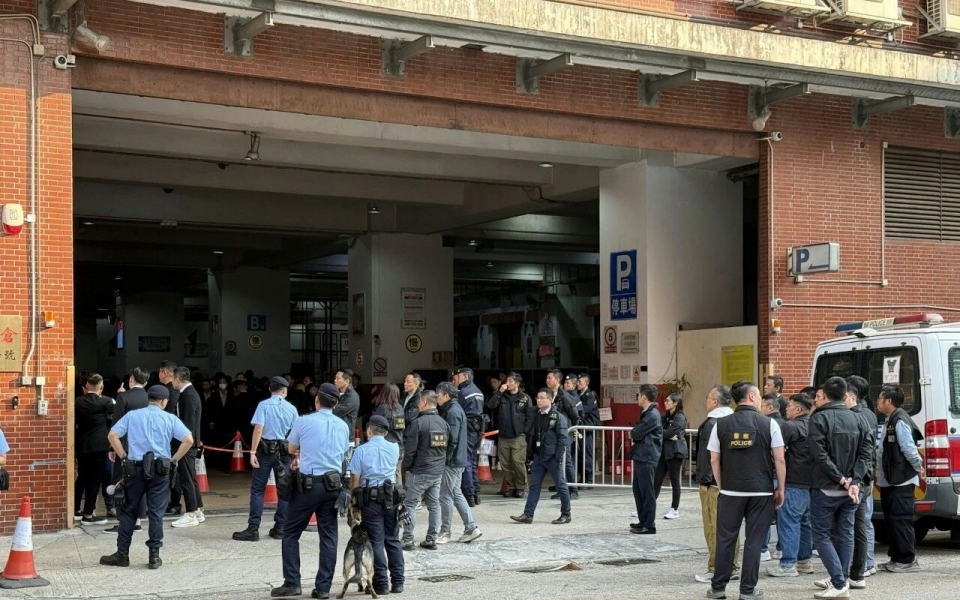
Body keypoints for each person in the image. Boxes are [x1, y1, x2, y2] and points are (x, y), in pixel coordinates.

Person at [100, 385, 194, 570]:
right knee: (156, 513)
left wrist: (123, 457)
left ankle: (122, 554)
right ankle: (154, 557)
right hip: (160, 471)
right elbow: (188, 440)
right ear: (164, 401)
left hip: (135, 469)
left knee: (129, 511)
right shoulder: (170, 418)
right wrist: (173, 460)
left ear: (148, 399)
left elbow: (112, 435)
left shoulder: (132, 416)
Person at [707, 380, 786, 600]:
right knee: (754, 542)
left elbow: (714, 459)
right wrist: (780, 487)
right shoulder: (769, 424)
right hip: (761, 492)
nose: (760, 399)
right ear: (751, 396)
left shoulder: (720, 425)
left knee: (725, 540)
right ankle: (747, 590)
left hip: (730, 492)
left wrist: (722, 485)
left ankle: (718, 588)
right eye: (758, 395)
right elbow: (779, 459)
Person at [271, 383, 351, 598]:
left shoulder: (303, 421)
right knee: (329, 537)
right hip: (333, 486)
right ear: (335, 404)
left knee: (290, 533)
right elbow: (344, 452)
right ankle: (323, 588)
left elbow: (290, 448)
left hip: (308, 486)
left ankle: (292, 583)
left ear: (317, 400)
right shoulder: (343, 425)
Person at [808, 376, 873, 598]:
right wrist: (855, 480)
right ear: (845, 395)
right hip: (852, 490)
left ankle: (838, 582)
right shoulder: (860, 418)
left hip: (827, 487)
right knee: (846, 534)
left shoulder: (818, 419)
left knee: (821, 535)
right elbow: (866, 454)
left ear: (825, 395)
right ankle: (841, 579)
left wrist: (842, 479)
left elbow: (819, 455)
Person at [233, 376, 299, 542]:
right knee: (284, 490)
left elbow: (258, 429)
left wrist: (252, 451)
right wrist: (295, 455)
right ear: (284, 390)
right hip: (283, 452)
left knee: (257, 489)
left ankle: (253, 529)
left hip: (265, 451)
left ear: (270, 389)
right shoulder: (291, 408)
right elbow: (296, 434)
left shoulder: (263, 405)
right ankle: (280, 527)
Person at [348, 415, 404, 595]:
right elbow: (396, 473)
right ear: (385, 432)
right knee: (393, 539)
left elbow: (355, 479)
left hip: (370, 500)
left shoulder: (361, 450)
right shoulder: (395, 448)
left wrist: (354, 503)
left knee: (376, 542)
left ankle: (381, 583)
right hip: (391, 498)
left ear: (369, 431)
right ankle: (398, 582)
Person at [694, 385, 740, 584]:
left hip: (714, 483)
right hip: (734, 482)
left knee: (713, 526)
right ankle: (733, 565)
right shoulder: (736, 420)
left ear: (715, 401)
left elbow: (708, 455)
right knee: (731, 526)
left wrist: (704, 480)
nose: (706, 400)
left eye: (708, 397)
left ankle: (716, 568)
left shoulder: (712, 423)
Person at [876, 383, 923, 574]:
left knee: (901, 519)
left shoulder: (900, 420)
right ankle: (896, 557)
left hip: (901, 480)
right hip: (891, 479)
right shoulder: (891, 419)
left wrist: (919, 468)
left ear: (889, 401)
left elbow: (909, 449)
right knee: (892, 520)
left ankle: (907, 559)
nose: (877, 401)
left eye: (880, 398)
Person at [767, 393, 814, 578]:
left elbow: (777, 451)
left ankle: (787, 564)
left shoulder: (789, 426)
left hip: (793, 480)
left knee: (789, 523)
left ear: (798, 409)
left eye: (789, 406)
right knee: (805, 523)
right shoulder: (814, 424)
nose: (786, 408)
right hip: (810, 482)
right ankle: (804, 561)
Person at [509, 388, 572, 525]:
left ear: (550, 399)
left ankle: (566, 514)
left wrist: (558, 456)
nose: (539, 400)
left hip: (552, 457)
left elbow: (563, 439)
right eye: (538, 398)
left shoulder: (558, 417)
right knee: (534, 486)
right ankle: (528, 514)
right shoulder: (536, 414)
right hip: (539, 456)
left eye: (542, 398)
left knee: (560, 485)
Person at [401, 390, 449, 551]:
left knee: (410, 504)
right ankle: (431, 539)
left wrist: (406, 468)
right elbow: (448, 447)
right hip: (437, 471)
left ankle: (408, 539)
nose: (417, 404)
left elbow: (410, 451)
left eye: (419, 401)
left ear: (424, 402)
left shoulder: (418, 423)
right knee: (434, 505)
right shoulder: (443, 423)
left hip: (420, 471)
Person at [435, 382, 483, 544]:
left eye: (439, 395)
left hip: (452, 461)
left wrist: (445, 459)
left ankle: (445, 531)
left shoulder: (452, 412)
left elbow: (452, 440)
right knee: (455, 493)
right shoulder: (454, 409)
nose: (437, 398)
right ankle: (471, 527)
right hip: (458, 459)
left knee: (445, 496)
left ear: (446, 396)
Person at [105, 367, 151, 534]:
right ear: (146, 382)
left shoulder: (123, 397)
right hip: (146, 447)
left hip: (125, 446)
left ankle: (124, 521)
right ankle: (138, 521)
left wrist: (112, 447)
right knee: (142, 480)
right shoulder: (149, 398)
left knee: (121, 481)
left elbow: (116, 424)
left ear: (131, 380)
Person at [845, 375, 879, 586]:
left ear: (853, 395)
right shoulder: (870, 413)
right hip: (867, 474)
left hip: (861, 476)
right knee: (865, 521)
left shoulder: (859, 415)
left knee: (861, 522)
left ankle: (863, 564)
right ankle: (868, 563)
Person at [485, 373, 535, 498]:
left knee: (518, 462)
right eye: (507, 381)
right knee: (505, 463)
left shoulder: (525, 398)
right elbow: (490, 405)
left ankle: (521, 487)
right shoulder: (502, 396)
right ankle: (512, 487)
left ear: (517, 384)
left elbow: (530, 416)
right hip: (503, 436)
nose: (507, 383)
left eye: (511, 381)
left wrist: (525, 431)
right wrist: (499, 392)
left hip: (518, 436)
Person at [75, 373, 114, 525]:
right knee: (95, 480)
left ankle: (76, 509)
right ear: (101, 386)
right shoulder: (106, 401)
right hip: (99, 447)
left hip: (82, 446)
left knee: (82, 477)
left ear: (87, 385)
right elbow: (115, 413)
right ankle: (88, 514)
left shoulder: (78, 401)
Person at [170, 367, 205, 528]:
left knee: (186, 478)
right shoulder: (189, 393)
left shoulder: (188, 395)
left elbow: (189, 423)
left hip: (187, 443)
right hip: (189, 442)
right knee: (190, 477)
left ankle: (191, 512)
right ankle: (198, 509)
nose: (172, 382)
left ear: (177, 379)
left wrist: (185, 442)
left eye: (173, 379)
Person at [629, 384, 663, 535]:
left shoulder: (652, 415)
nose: (637, 398)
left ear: (643, 397)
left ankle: (649, 524)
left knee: (647, 491)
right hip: (641, 455)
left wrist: (636, 434)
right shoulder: (647, 413)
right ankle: (643, 520)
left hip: (647, 456)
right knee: (638, 489)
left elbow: (636, 433)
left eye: (638, 395)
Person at [451, 367, 486, 507]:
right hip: (477, 430)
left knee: (465, 461)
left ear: (465, 377)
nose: (455, 380)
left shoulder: (463, 392)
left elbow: (456, 411)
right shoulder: (478, 391)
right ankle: (476, 493)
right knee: (471, 461)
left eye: (457, 377)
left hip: (468, 430)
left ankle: (469, 494)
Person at [545, 369, 580, 501]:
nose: (547, 380)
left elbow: (574, 414)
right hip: (552, 434)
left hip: (564, 433)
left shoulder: (564, 396)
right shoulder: (548, 394)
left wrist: (569, 429)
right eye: (547, 378)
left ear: (557, 380)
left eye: (550, 378)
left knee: (567, 462)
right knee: (557, 462)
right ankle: (562, 489)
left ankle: (573, 490)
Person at [759, 393, 785, 561]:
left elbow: (778, 457)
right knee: (783, 516)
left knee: (764, 514)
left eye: (762, 406)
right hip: (782, 475)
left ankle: (763, 549)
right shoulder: (786, 424)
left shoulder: (767, 425)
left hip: (769, 474)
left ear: (769, 407)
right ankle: (781, 547)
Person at [654, 392, 687, 520]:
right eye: (665, 400)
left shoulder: (680, 417)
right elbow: (659, 430)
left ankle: (674, 508)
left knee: (675, 481)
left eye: (668, 401)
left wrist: (667, 434)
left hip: (675, 452)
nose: (665, 403)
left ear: (675, 403)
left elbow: (668, 432)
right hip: (664, 451)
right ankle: (648, 505)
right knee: (657, 479)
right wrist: (667, 434)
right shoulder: (665, 416)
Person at [373, 383, 406, 483]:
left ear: (384, 393)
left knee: (385, 476)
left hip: (385, 448)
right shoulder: (400, 408)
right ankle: (399, 493)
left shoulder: (382, 408)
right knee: (397, 474)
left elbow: (373, 424)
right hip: (399, 447)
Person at [576, 374, 600, 486]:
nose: (578, 384)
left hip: (588, 427)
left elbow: (584, 410)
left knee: (587, 453)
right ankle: (583, 478)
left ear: (586, 383)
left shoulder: (589, 395)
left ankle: (589, 479)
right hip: (581, 427)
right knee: (581, 454)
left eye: (580, 382)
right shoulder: (578, 395)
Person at [334, 369, 360, 435]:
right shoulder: (341, 394)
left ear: (347, 381)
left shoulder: (352, 396)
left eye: (338, 378)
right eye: (335, 378)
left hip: (346, 435)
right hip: (338, 433)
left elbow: (336, 412)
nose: (335, 380)